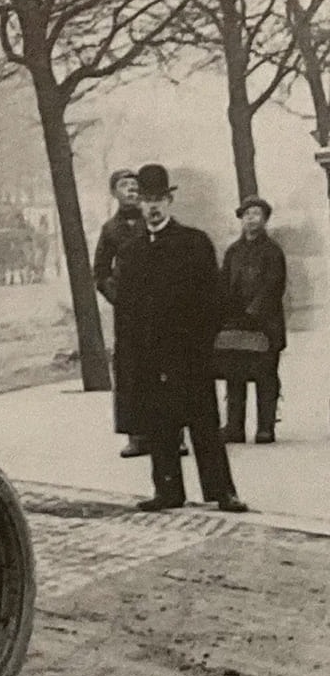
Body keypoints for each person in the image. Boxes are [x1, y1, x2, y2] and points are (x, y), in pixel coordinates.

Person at [115, 165, 247, 513]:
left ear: (170, 200)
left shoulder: (194, 243)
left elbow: (214, 299)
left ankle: (222, 492)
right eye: (146, 200)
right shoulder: (131, 252)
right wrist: (133, 355)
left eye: (159, 199)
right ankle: (168, 490)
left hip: (190, 354)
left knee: (204, 424)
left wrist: (203, 346)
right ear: (139, 204)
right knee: (160, 425)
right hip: (151, 356)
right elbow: (126, 311)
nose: (153, 207)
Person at [219, 196, 287, 444]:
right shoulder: (233, 252)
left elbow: (273, 286)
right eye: (247, 214)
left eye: (256, 214)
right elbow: (224, 284)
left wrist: (253, 312)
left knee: (265, 375)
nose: (251, 219)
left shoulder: (273, 252)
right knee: (234, 375)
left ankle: (265, 428)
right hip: (236, 324)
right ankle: (234, 427)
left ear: (265, 219)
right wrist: (227, 313)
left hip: (266, 325)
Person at [94, 167, 150, 458]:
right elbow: (100, 273)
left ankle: (173, 433)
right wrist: (119, 298)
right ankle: (136, 435)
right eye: (124, 185)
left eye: (134, 185)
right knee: (129, 371)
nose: (130, 189)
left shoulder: (152, 221)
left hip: (159, 308)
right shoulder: (110, 229)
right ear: (114, 193)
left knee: (164, 368)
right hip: (128, 313)